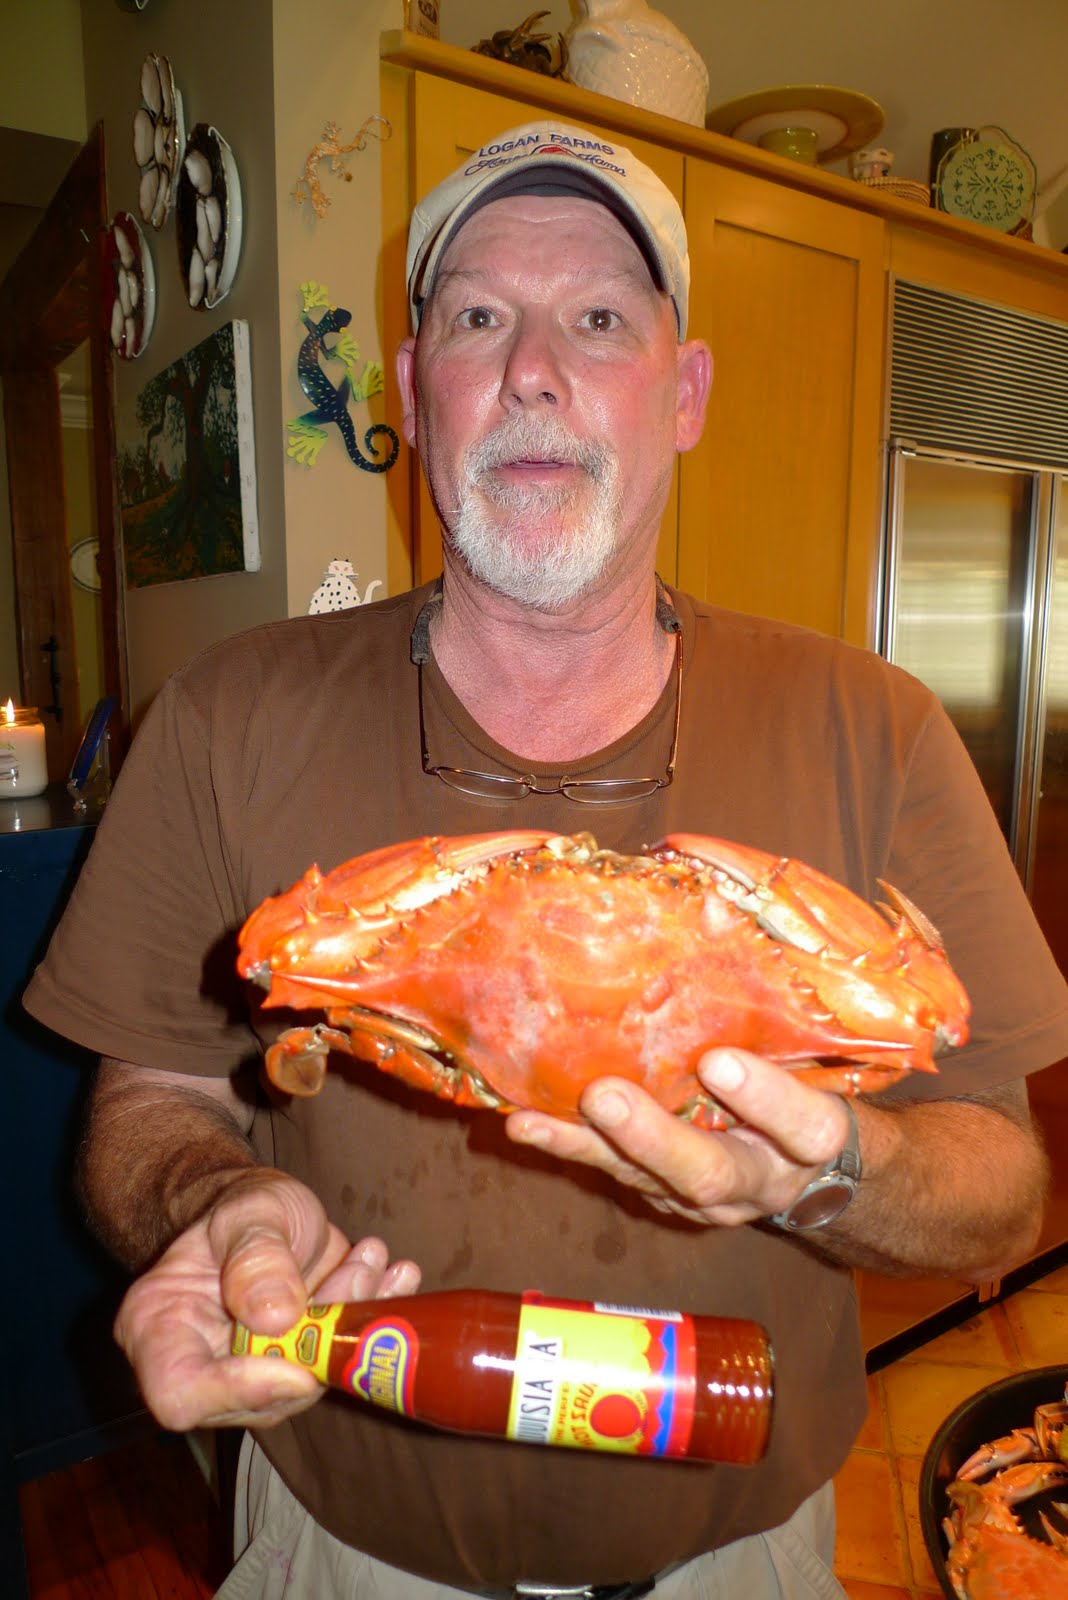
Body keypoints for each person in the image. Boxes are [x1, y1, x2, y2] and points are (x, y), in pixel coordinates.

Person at [23, 120, 1068, 1600]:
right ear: (412, 391)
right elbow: (154, 1095)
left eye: (598, 318)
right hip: (343, 1546)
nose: (534, 368)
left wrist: (839, 1167)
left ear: (685, 391)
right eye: (477, 318)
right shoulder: (228, 717)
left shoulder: (872, 728)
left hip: (744, 1555)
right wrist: (216, 1202)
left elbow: (1002, 1183)